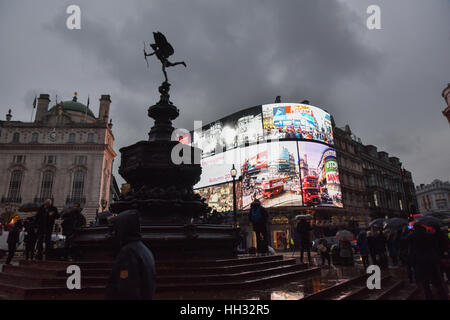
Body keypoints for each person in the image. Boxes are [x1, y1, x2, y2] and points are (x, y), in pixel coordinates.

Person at [105, 210, 156, 300]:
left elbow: (127, 288)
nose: (113, 233)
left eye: (116, 228)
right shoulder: (144, 249)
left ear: (123, 228)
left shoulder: (128, 252)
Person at [408, 223, 448, 300]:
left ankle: (429, 296)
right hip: (431, 259)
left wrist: (411, 261)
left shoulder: (412, 236)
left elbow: (411, 249)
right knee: (436, 280)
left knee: (425, 282)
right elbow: (435, 247)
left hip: (420, 261)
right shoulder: (430, 235)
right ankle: (442, 295)